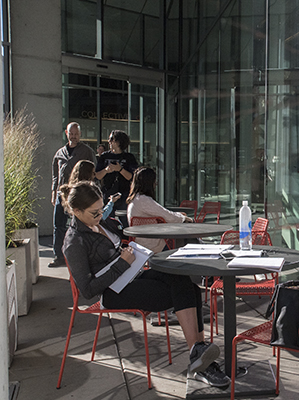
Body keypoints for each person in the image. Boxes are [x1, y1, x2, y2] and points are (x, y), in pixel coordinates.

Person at [61, 181, 229, 387]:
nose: (99, 216)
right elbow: (87, 290)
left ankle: (199, 355)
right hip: (113, 292)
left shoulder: (100, 223)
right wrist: (122, 264)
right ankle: (201, 359)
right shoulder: (74, 241)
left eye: (101, 209)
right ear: (76, 211)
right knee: (181, 292)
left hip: (131, 275)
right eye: (94, 213)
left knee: (184, 280)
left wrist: (132, 254)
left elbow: (121, 239)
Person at [50, 122, 96, 268]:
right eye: (71, 133)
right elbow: (55, 175)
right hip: (61, 193)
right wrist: (53, 192)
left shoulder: (87, 151)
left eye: (76, 134)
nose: (74, 136)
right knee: (58, 224)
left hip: (78, 194)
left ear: (80, 134)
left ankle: (78, 256)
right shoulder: (59, 153)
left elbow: (92, 171)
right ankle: (58, 256)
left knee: (78, 225)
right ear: (66, 133)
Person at [127, 167, 193, 253]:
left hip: (141, 241)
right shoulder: (144, 200)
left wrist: (178, 215)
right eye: (155, 181)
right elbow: (167, 216)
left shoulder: (136, 199)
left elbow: (162, 213)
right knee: (187, 227)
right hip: (153, 243)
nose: (156, 184)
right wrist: (183, 218)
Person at [95, 130, 138, 214]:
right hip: (108, 193)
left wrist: (120, 169)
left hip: (124, 194)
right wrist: (106, 170)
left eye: (111, 139)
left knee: (124, 219)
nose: (109, 142)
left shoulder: (129, 157)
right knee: (107, 219)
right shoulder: (104, 156)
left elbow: (132, 177)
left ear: (118, 142)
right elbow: (97, 176)